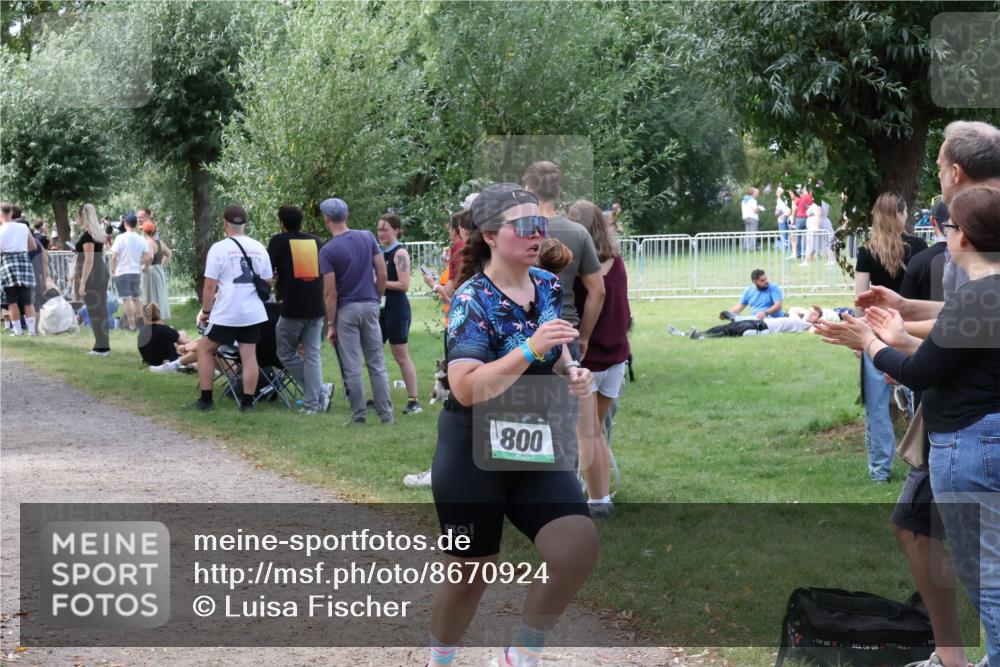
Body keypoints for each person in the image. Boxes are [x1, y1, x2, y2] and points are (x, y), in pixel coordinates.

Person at [815, 186, 1000, 667]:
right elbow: (946, 358)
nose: (944, 237)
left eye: (949, 229)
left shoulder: (978, 295)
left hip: (971, 448)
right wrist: (897, 324)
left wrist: (869, 341)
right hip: (983, 440)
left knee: (986, 577)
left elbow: (919, 372)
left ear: (964, 237)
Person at [427, 182, 596, 667]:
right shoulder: (471, 300)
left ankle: (521, 655)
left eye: (539, 223)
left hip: (529, 442)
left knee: (577, 549)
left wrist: (571, 369)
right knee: (470, 575)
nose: (536, 233)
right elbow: (465, 387)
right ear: (490, 235)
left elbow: (554, 347)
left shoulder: (546, 284)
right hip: (471, 450)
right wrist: (529, 348)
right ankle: (440, 660)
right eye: (523, 226)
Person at [854, 191, 928, 483]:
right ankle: (919, 464)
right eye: (905, 212)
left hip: (875, 330)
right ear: (899, 214)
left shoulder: (866, 251)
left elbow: (859, 299)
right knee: (916, 399)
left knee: (876, 407)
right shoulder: (918, 247)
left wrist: (859, 338)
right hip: (909, 329)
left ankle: (879, 471)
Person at [567, 200, 631, 518]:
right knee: (596, 431)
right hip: (616, 357)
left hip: (589, 359)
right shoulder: (616, 260)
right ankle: (599, 494)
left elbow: (598, 296)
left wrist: (582, 337)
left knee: (588, 433)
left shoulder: (578, 267)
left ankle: (598, 501)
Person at [318, 197, 393, 425]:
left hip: (346, 310)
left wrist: (331, 324)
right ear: (347, 216)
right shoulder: (367, 237)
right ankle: (387, 416)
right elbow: (382, 273)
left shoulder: (327, 251)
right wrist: (376, 299)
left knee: (352, 366)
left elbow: (330, 292)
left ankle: (359, 416)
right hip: (370, 305)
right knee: (376, 364)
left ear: (327, 220)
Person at [193, 205, 274, 412]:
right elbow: (267, 281)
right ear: (245, 224)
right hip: (253, 312)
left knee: (204, 349)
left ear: (225, 223)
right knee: (249, 355)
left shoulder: (219, 248)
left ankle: (206, 400)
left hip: (227, 312)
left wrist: (206, 311)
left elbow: (210, 285)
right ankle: (247, 403)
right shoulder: (259, 247)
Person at [522, 161, 605, 361]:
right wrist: (584, 337)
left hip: (521, 329)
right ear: (558, 192)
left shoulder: (513, 232)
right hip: (564, 330)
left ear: (528, 189)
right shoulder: (578, 233)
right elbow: (598, 291)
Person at [266, 204, 332, 415]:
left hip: (293, 306)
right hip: (317, 306)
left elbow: (267, 271)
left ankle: (317, 393)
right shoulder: (316, 241)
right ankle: (314, 401)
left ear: (281, 223)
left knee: (284, 352)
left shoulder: (278, 241)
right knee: (312, 354)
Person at [377, 212, 421, 415]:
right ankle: (379, 396)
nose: (381, 233)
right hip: (380, 309)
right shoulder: (380, 252)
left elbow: (404, 284)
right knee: (375, 352)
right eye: (379, 230)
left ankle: (414, 401)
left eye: (385, 230)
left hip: (397, 309)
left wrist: (379, 283)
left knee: (400, 354)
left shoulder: (400, 253)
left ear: (396, 230)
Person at [73, 203, 111, 355]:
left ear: (83, 216)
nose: (77, 219)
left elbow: (89, 260)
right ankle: (102, 345)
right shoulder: (97, 234)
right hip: (100, 273)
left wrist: (82, 283)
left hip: (93, 276)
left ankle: (101, 347)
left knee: (95, 311)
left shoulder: (88, 236)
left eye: (79, 216)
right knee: (100, 310)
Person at [0, 204, 39, 336]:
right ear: (11, 213)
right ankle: (32, 331)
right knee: (28, 300)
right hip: (24, 263)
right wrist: (20, 252)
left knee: (12, 300)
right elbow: (33, 246)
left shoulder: (1, 230)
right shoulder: (23, 227)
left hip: (7, 264)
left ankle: (18, 331)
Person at [109, 212, 150, 330]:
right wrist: (139, 263)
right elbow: (148, 257)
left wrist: (113, 269)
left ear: (125, 224)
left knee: (126, 299)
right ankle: (141, 324)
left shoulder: (120, 238)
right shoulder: (141, 239)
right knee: (136, 299)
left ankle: (132, 325)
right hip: (135, 272)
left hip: (122, 272)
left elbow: (114, 257)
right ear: (136, 224)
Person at [684, 305, 821, 339]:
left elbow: (814, 332)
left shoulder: (807, 326)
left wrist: (819, 322)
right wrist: (808, 312)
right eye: (809, 310)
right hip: (758, 321)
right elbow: (793, 309)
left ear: (817, 319)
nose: (810, 313)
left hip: (763, 328)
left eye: (813, 313)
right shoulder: (796, 317)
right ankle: (699, 333)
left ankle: (701, 337)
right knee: (726, 326)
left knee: (731, 332)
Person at [139, 212, 172, 320]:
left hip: (151, 272)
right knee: (159, 295)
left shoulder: (149, 242)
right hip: (158, 270)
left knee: (151, 296)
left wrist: (144, 267)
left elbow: (150, 257)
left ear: (144, 231)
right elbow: (169, 254)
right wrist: (162, 266)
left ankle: (152, 318)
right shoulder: (159, 242)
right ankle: (159, 317)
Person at [791, 185, 813, 259]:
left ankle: (798, 254)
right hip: (808, 218)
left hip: (799, 219)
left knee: (798, 237)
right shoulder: (811, 197)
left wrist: (793, 219)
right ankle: (807, 253)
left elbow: (794, 208)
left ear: (804, 189)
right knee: (808, 237)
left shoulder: (799, 197)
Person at [740, 186, 764, 251]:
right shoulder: (753, 200)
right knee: (753, 234)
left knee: (747, 233)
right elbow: (755, 210)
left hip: (745, 218)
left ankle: (745, 247)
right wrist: (760, 209)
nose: (757, 194)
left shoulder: (744, 200)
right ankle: (751, 248)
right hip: (753, 218)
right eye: (756, 193)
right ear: (753, 193)